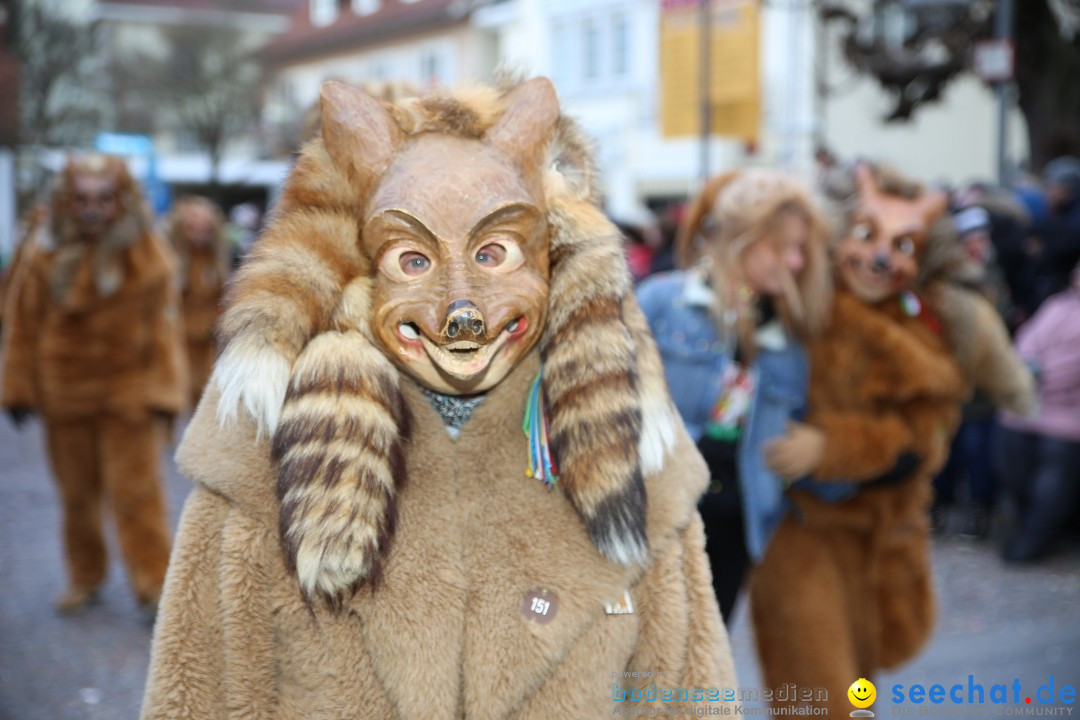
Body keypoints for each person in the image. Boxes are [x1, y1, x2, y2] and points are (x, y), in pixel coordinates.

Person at [141, 78, 736, 718]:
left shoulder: (623, 427)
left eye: (495, 252)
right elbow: (198, 689)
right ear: (360, 262)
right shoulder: (266, 437)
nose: (463, 312)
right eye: (413, 260)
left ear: (551, 255)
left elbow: (686, 684)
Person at [748, 163, 967, 717]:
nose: (879, 258)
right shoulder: (802, 307)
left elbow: (930, 437)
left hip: (883, 538)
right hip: (801, 528)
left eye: (903, 245)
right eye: (866, 235)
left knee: (856, 689)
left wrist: (837, 446)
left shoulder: (922, 326)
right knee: (819, 696)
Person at [636, 168, 833, 623]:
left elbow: (807, 437)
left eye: (802, 249)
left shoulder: (792, 339)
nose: (798, 262)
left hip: (736, 531)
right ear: (743, 239)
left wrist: (823, 450)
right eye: (783, 248)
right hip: (659, 522)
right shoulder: (663, 303)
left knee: (705, 663)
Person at [0, 155, 187, 614]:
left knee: (138, 496)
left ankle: (154, 586)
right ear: (67, 199)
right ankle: (85, 577)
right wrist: (18, 388)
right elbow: (22, 322)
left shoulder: (145, 251)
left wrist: (165, 392)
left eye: (104, 199)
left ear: (120, 201)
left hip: (128, 396)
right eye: (82, 199)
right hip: (64, 393)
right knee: (77, 499)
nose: (92, 210)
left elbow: (165, 327)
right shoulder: (44, 249)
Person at [997, 262, 1080, 562]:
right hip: (1028, 405)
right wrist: (1028, 368)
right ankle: (1024, 530)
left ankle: (1033, 540)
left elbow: (1072, 365)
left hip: (1066, 414)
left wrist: (1039, 373)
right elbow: (1028, 339)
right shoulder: (1056, 305)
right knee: (1013, 465)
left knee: (1053, 475)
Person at [164, 196, 229, 407]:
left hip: (207, 346)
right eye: (192, 229)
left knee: (205, 399)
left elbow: (221, 300)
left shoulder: (215, 260)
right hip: (176, 343)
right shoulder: (169, 259)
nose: (199, 236)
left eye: (205, 230)